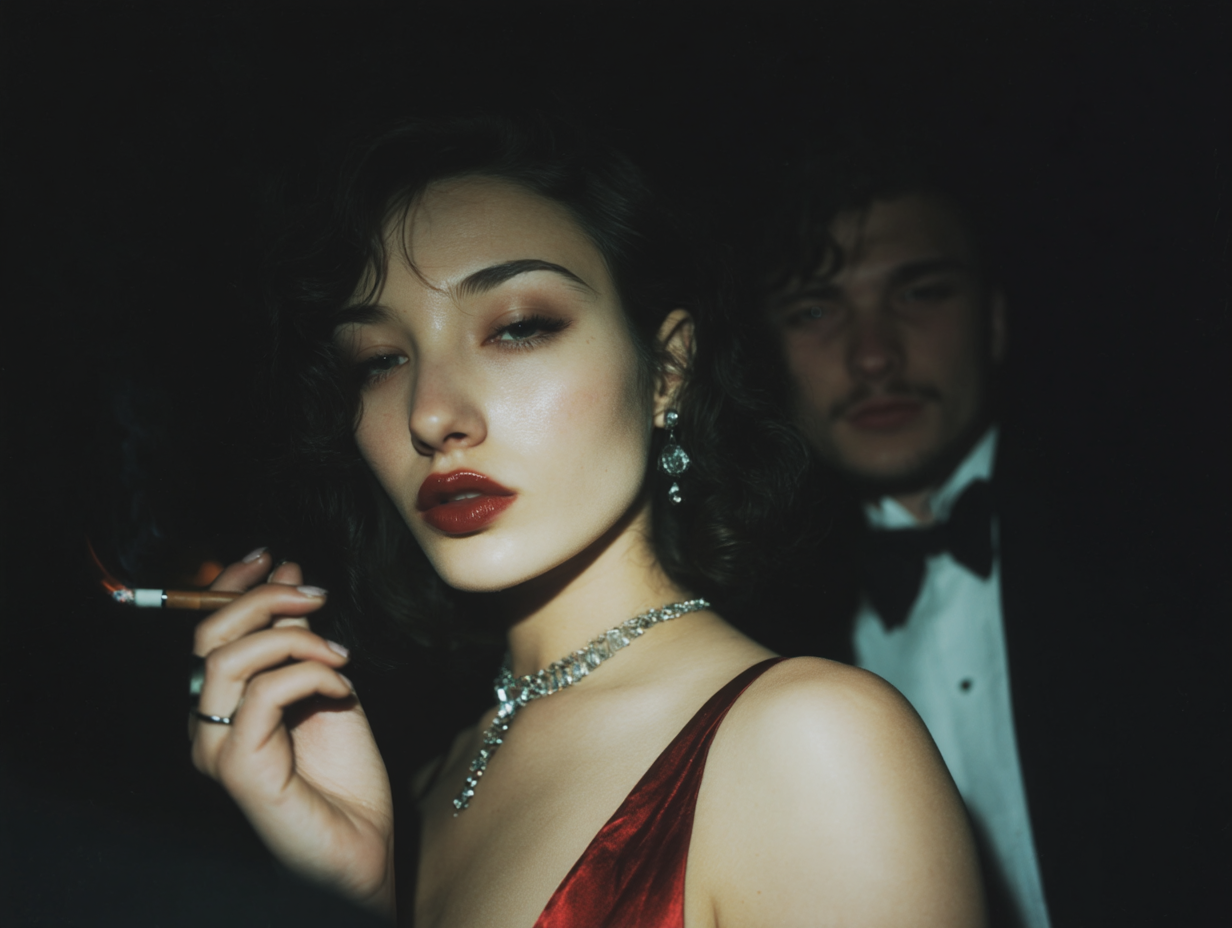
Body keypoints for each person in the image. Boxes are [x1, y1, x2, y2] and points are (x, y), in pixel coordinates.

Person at [183, 116, 985, 927]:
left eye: (518, 327)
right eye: (380, 361)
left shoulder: (813, 742)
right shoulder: (406, 797)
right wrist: (350, 902)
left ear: (667, 368)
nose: (429, 413)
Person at [752, 139, 1218, 927]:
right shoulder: (752, 627)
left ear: (995, 321)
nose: (873, 356)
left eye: (920, 293)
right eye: (815, 311)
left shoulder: (1183, 551)